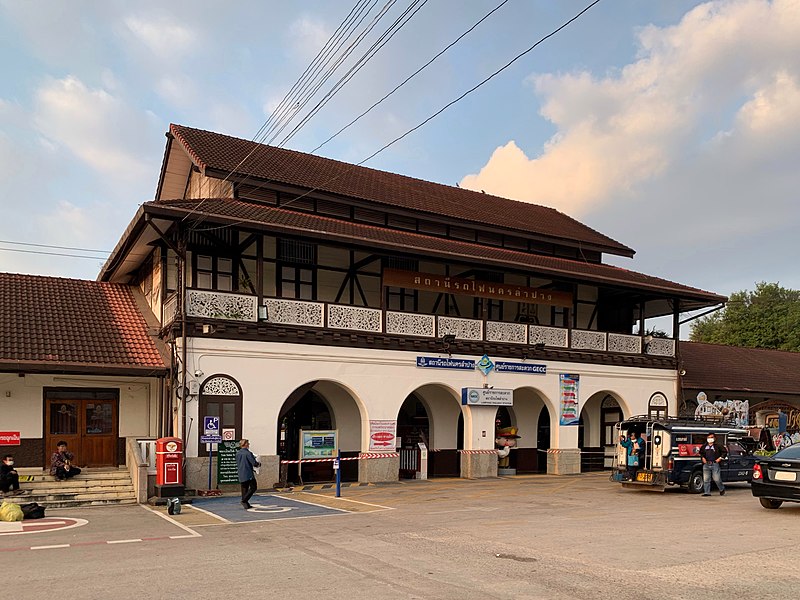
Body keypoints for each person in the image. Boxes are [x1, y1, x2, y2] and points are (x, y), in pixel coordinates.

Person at [236, 439, 260, 509]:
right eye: (248, 443)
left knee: (244, 488)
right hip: (248, 473)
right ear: (245, 444)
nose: (249, 444)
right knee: (253, 487)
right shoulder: (248, 453)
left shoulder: (238, 453)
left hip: (241, 472)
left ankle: (246, 504)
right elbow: (254, 463)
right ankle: (244, 500)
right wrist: (258, 464)